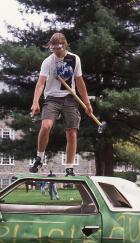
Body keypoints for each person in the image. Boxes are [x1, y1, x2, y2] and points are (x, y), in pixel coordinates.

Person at [29, 32, 93, 176]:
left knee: (72, 132)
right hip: (52, 98)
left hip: (70, 98)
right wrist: (35, 102)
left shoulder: (74, 59)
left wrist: (87, 103)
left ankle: (69, 168)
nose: (56, 52)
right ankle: (39, 157)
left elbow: (80, 82)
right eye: (53, 49)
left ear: (64, 45)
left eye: (58, 48)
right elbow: (40, 83)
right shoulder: (48, 62)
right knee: (46, 126)